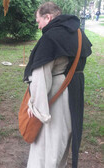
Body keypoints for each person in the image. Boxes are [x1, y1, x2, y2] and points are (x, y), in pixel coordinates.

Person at [23, 2, 92, 168]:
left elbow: (41, 75)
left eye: (39, 21)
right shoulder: (79, 33)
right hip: (74, 92)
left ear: (48, 17)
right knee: (63, 139)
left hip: (56, 96)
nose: (39, 26)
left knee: (48, 143)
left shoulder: (51, 37)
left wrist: (37, 108)